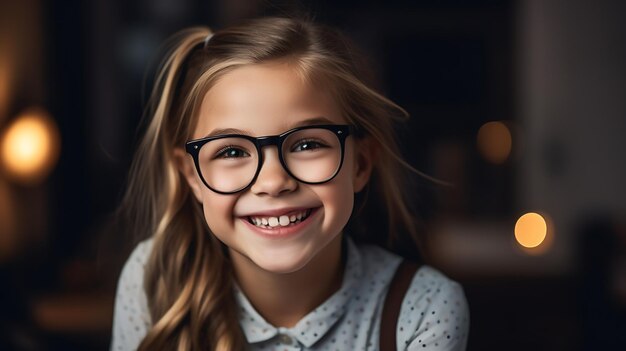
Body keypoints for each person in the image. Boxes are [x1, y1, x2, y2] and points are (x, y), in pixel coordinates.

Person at [110, 17, 469, 351]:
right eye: (232, 151)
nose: (273, 181)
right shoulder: (153, 280)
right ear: (192, 177)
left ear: (359, 163)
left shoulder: (422, 308)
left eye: (307, 145)